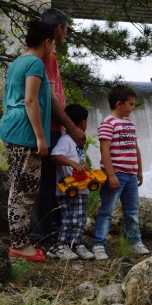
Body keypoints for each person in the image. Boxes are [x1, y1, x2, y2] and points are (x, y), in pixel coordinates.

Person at [29, 8, 87, 248]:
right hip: (49, 127)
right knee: (44, 185)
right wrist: (72, 128)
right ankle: (42, 237)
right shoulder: (47, 56)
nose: (66, 34)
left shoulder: (42, 56)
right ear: (58, 29)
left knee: (46, 182)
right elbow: (49, 98)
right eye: (66, 29)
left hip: (51, 127)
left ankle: (49, 234)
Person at [0, 20, 54, 262]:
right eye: (53, 44)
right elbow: (30, 101)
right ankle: (20, 245)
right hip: (25, 131)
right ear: (47, 42)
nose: (54, 49)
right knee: (24, 190)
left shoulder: (18, 62)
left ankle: (21, 241)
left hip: (12, 125)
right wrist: (41, 137)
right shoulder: (34, 63)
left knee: (20, 186)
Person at [91, 84, 149, 260]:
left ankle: (135, 241)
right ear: (118, 104)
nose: (132, 108)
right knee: (107, 210)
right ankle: (99, 244)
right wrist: (111, 175)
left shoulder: (130, 124)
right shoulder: (108, 124)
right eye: (130, 104)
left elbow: (135, 148)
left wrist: (139, 170)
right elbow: (104, 151)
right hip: (116, 174)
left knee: (132, 210)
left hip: (131, 174)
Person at [47, 104, 95, 260]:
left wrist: (85, 168)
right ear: (83, 122)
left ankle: (76, 243)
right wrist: (73, 164)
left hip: (81, 187)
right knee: (68, 218)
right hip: (69, 187)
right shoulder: (66, 140)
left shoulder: (78, 142)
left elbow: (80, 160)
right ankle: (59, 246)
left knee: (80, 218)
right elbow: (54, 156)